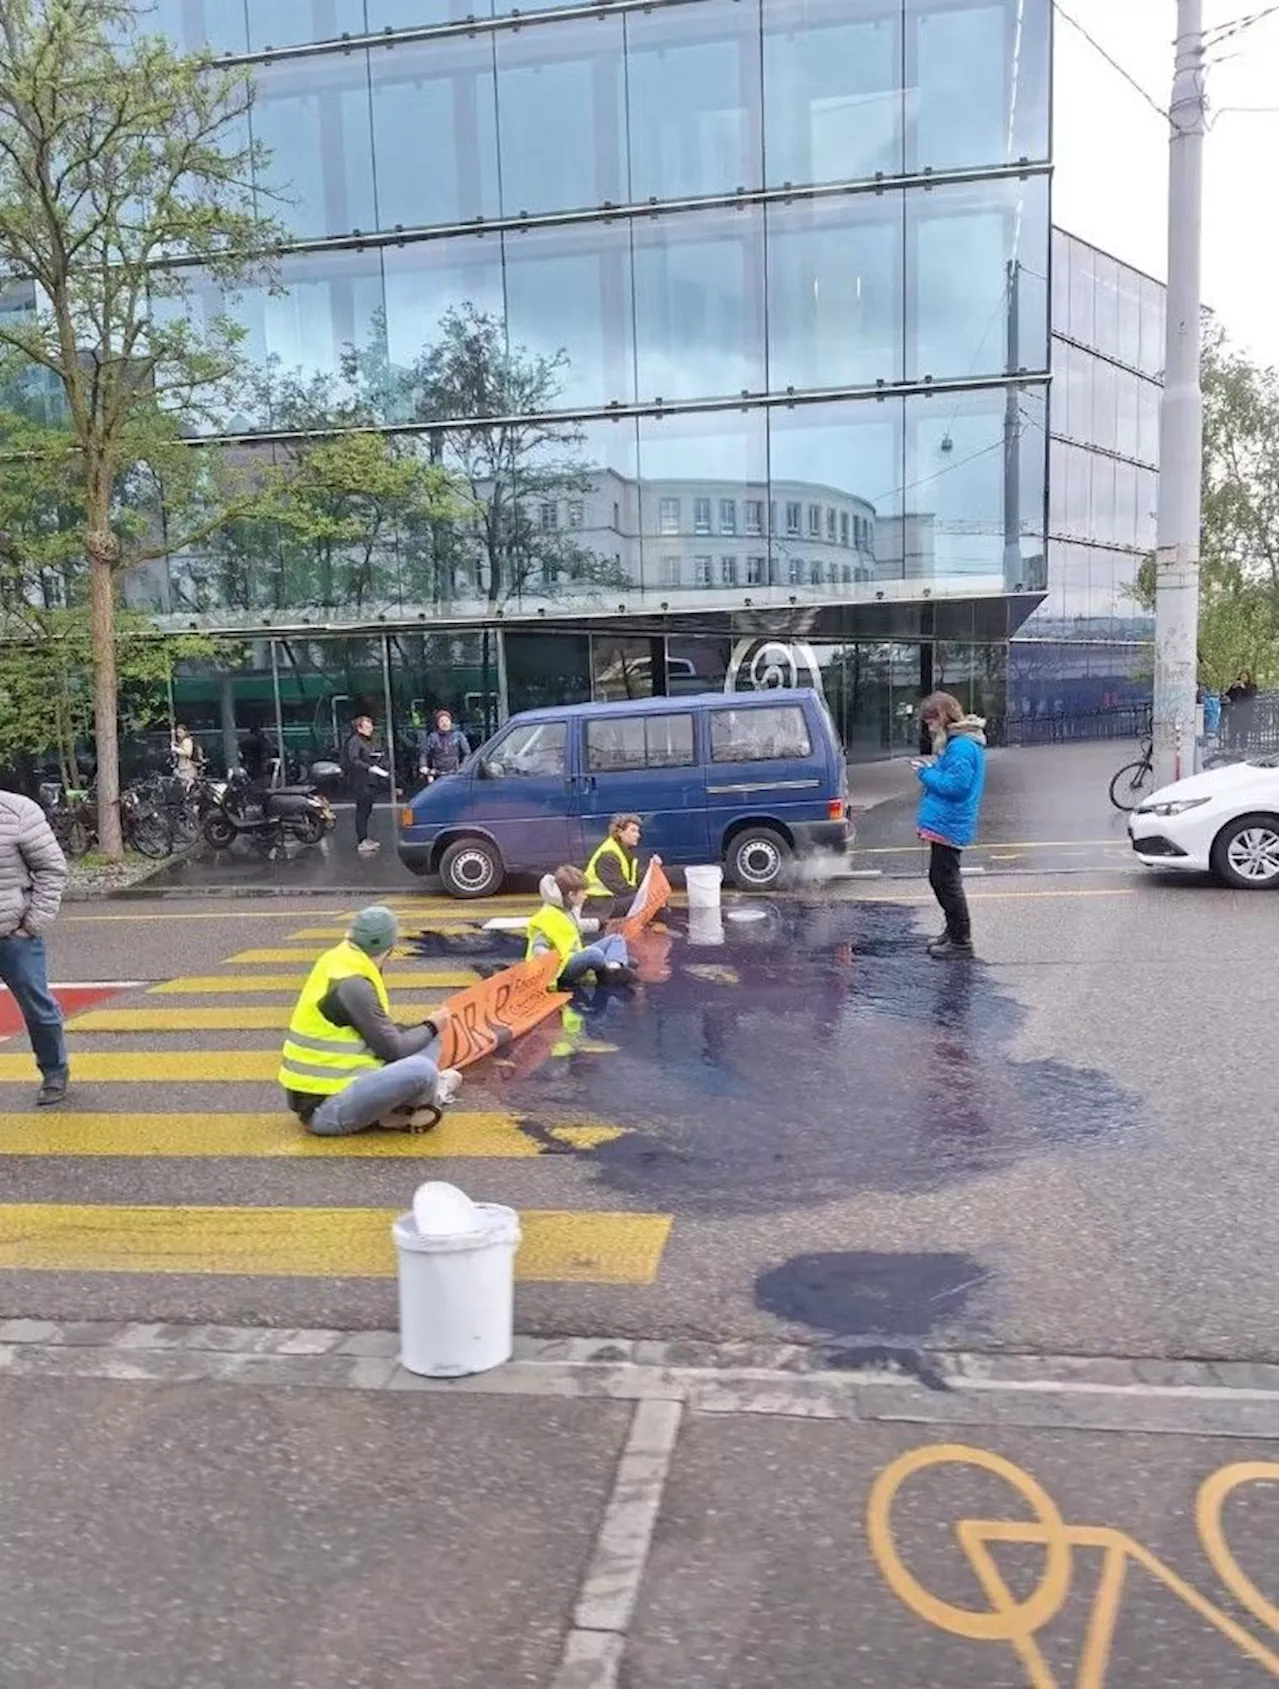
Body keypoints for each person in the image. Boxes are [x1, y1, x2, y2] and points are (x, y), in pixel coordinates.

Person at [279, 905, 462, 1136]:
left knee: (429, 1040)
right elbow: (394, 1050)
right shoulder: (353, 985)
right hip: (325, 1109)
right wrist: (433, 1024)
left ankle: (392, 1115)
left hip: (344, 1083)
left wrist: (430, 1030)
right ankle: (431, 1097)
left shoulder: (341, 959)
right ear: (389, 948)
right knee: (423, 1069)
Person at [0, 789, 71, 1105]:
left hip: (13, 935)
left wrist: (31, 925)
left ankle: (54, 1070)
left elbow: (52, 868)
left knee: (38, 1008)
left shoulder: (17, 811)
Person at [912, 692, 987, 961]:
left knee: (946, 881)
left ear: (941, 717)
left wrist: (925, 772)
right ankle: (953, 932)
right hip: (947, 821)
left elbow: (955, 786)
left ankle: (961, 941)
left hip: (950, 822)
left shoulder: (961, 747)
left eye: (930, 722)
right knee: (941, 878)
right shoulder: (959, 744)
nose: (929, 728)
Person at [526, 865, 637, 987]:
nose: (586, 896)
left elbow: (574, 926)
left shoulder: (566, 910)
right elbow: (538, 946)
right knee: (594, 954)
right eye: (583, 893)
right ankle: (613, 965)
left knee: (616, 939)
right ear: (571, 895)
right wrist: (546, 963)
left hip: (575, 954)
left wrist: (599, 924)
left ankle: (613, 968)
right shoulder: (546, 916)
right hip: (563, 966)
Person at [584, 813, 662, 923]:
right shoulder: (608, 855)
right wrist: (646, 894)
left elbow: (635, 877)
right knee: (647, 900)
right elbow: (621, 888)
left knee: (651, 899)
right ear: (620, 832)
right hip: (601, 906)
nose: (638, 835)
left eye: (638, 831)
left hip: (611, 901)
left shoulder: (624, 851)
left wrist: (653, 867)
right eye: (633, 831)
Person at [343, 713, 380, 856]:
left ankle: (365, 838)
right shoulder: (354, 741)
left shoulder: (367, 741)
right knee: (362, 811)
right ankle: (362, 840)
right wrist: (368, 767)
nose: (370, 729)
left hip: (369, 780)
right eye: (367, 726)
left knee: (367, 810)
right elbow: (354, 760)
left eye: (371, 726)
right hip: (360, 781)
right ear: (359, 728)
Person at [419, 709, 470, 783]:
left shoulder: (458, 736)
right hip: (437, 774)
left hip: (455, 774)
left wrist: (462, 768)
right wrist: (424, 766)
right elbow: (424, 754)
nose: (444, 723)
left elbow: (467, 753)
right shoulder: (432, 737)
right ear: (438, 724)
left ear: (450, 722)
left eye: (446, 720)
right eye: (441, 721)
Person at [1225, 670, 1257, 750]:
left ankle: (1243, 746)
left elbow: (1251, 695)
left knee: (1244, 730)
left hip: (1246, 711)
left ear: (1248, 677)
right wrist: (1233, 687)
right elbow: (1228, 695)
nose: (1242, 678)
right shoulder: (1236, 686)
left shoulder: (1252, 686)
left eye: (1244, 677)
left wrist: (1244, 687)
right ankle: (1232, 747)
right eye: (1241, 677)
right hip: (1235, 710)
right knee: (1233, 729)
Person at [172, 724, 199, 789]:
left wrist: (176, 749)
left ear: (185, 732)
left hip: (187, 768)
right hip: (181, 767)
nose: (178, 734)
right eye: (177, 733)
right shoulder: (181, 741)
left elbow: (187, 752)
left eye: (180, 732)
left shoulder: (187, 741)